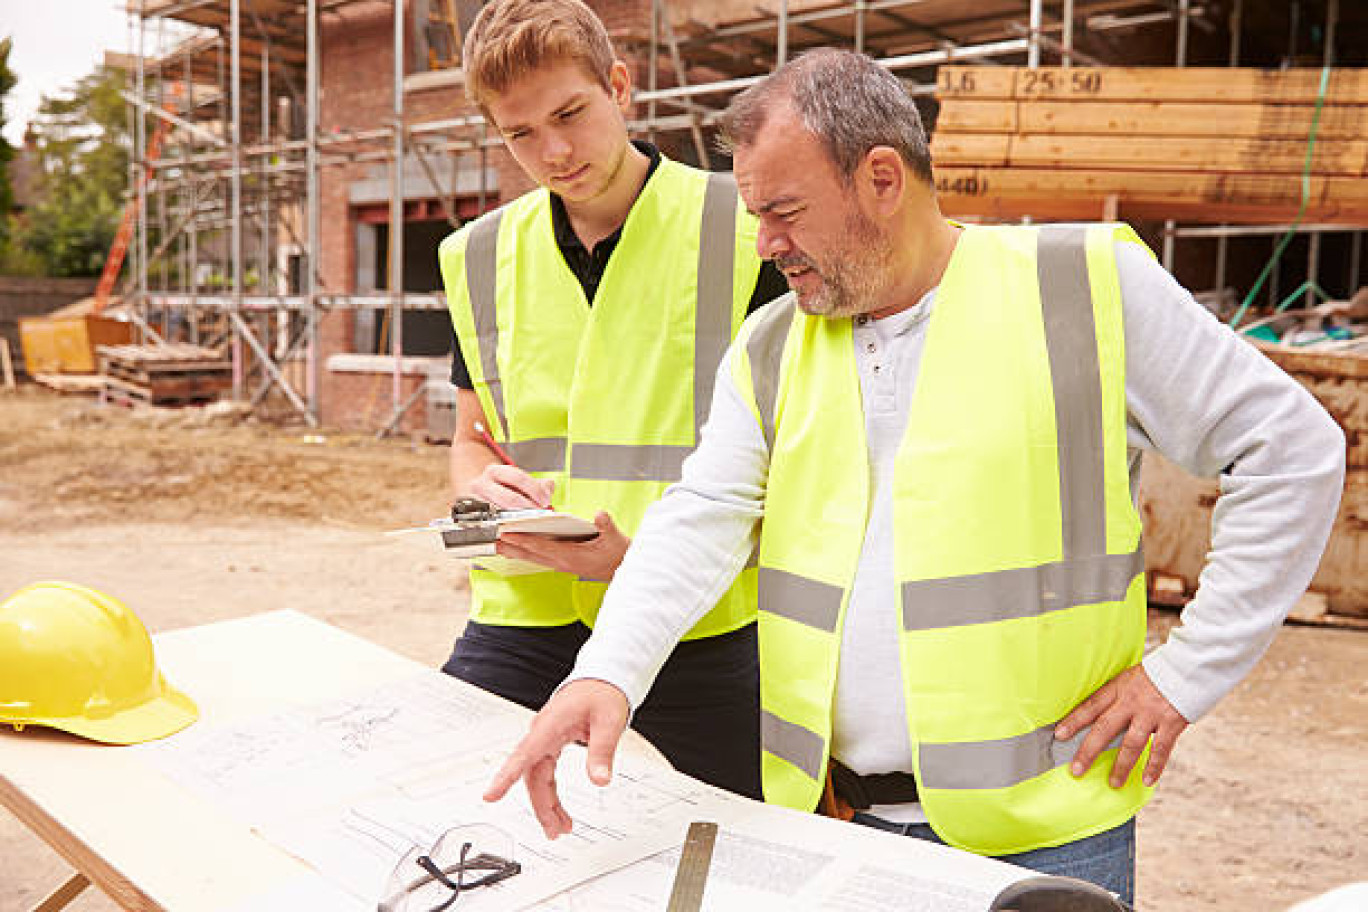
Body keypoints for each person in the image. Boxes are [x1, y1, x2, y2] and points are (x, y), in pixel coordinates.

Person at [482, 49, 1347, 902]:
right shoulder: (774, 347)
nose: (764, 245)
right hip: (834, 820)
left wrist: (1186, 674)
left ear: (883, 179)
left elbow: (1294, 451)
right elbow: (701, 517)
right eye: (755, 214)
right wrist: (605, 673)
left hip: (1045, 836)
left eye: (784, 211)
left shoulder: (1081, 288)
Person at [436, 0, 787, 800]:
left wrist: (639, 563)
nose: (554, 152)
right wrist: (474, 491)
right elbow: (469, 440)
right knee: (455, 812)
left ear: (619, 86)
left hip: (694, 615)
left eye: (571, 113)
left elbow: (804, 455)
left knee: (735, 841)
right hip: (522, 612)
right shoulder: (475, 257)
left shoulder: (746, 230)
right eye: (520, 133)